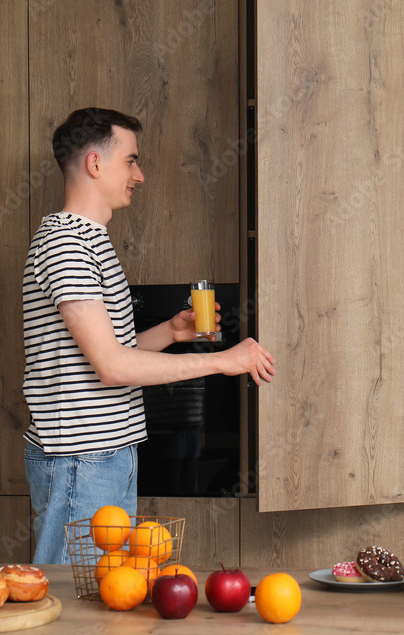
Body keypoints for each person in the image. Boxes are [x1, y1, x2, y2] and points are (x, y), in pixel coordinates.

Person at [22, 108, 275, 564]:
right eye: (131, 161)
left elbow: (113, 353)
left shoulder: (92, 241)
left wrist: (172, 331)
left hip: (110, 452)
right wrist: (222, 361)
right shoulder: (65, 244)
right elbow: (113, 367)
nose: (139, 175)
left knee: (107, 596)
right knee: (69, 607)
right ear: (95, 165)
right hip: (82, 459)